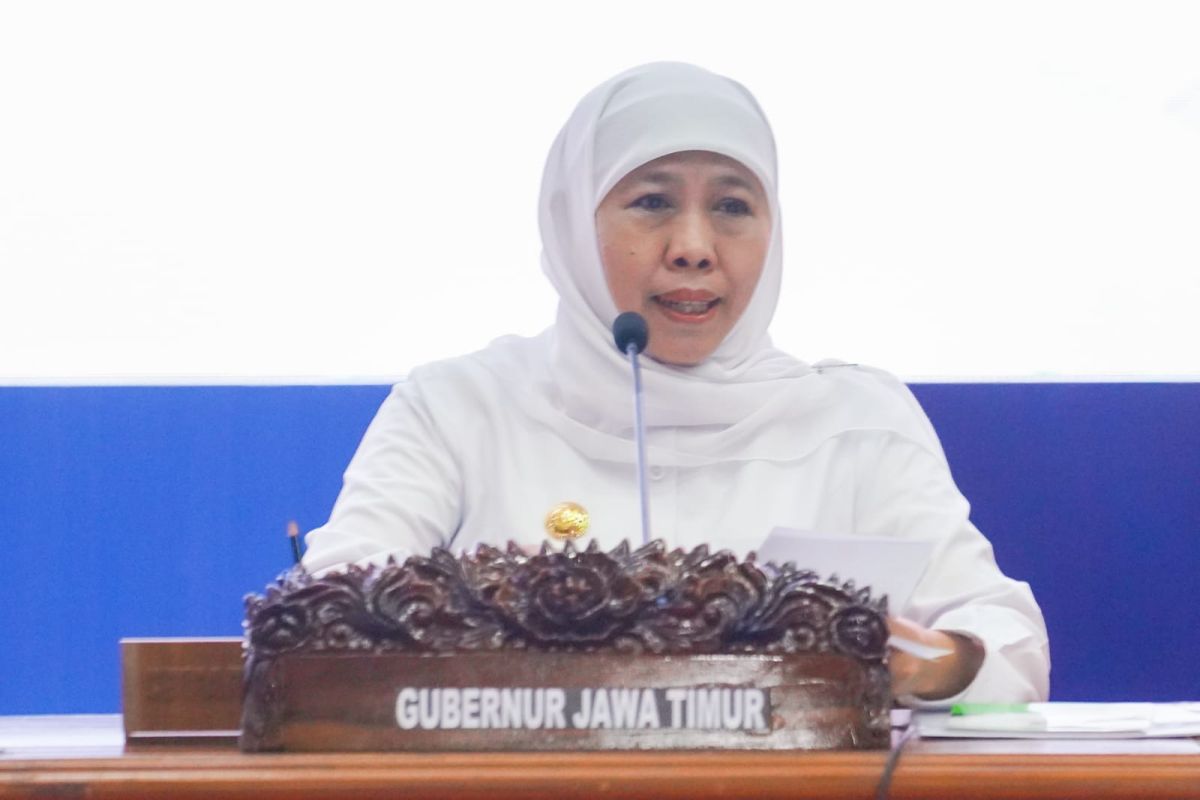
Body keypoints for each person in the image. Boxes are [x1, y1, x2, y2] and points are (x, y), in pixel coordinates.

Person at [302, 62, 1050, 705]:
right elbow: (324, 618)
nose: (694, 247)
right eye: (652, 201)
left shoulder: (856, 420)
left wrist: (923, 660)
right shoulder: (458, 407)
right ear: (572, 222)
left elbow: (1011, 650)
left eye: (732, 207)